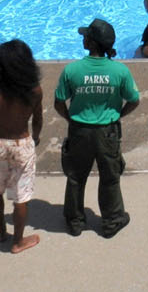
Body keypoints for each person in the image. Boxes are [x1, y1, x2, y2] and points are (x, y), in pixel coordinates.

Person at [55, 18, 139, 238]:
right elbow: (134, 99)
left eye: (86, 35)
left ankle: (75, 221)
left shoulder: (72, 70)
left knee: (75, 176)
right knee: (110, 177)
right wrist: (118, 115)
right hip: (107, 132)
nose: (83, 37)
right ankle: (112, 221)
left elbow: (58, 102)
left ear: (92, 42)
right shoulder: (119, 71)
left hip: (79, 130)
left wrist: (72, 119)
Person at [0, 39, 45, 253]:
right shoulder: (34, 91)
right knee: (20, 197)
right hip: (22, 144)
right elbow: (38, 119)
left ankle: (0, 228)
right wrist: (37, 136)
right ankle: (18, 241)